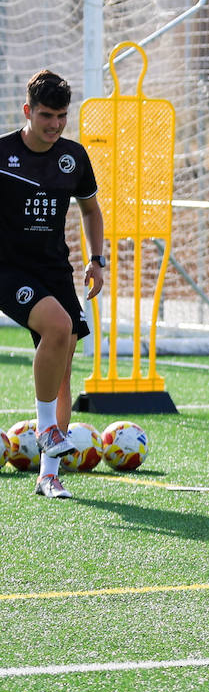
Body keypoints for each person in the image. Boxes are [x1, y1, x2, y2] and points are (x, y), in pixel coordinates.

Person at [0, 70, 105, 499]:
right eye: (46, 115)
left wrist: (97, 260)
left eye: (62, 116)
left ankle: (48, 475)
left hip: (53, 269)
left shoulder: (74, 157)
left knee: (63, 365)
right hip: (8, 269)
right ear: (27, 111)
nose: (55, 125)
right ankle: (46, 429)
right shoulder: (2, 153)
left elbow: (91, 210)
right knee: (59, 327)